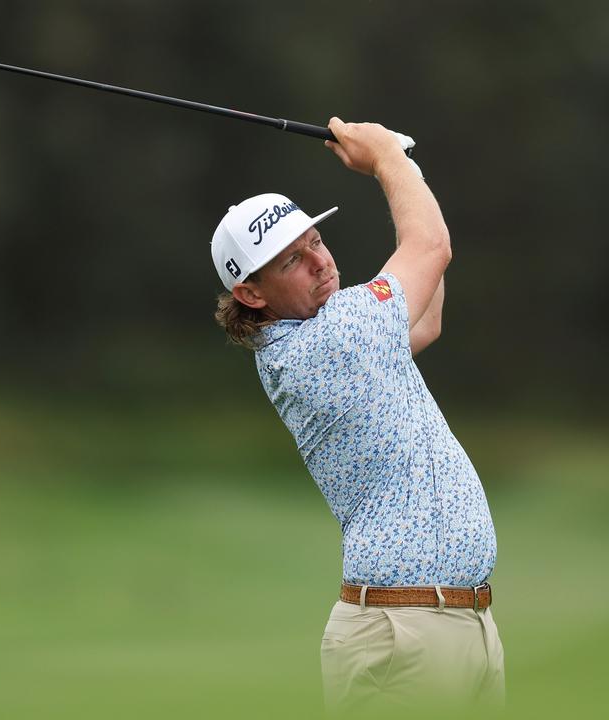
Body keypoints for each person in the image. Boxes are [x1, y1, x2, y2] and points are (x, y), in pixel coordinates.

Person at [210, 118, 503, 712]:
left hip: (452, 623)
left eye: (315, 240)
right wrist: (388, 161)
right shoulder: (329, 343)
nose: (319, 261)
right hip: (404, 632)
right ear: (251, 294)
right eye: (292, 260)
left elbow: (425, 318)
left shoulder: (335, 329)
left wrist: (403, 167)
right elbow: (431, 248)